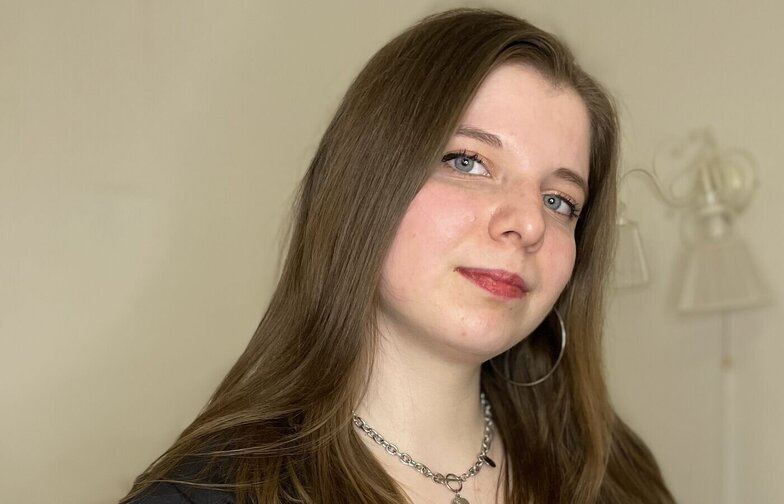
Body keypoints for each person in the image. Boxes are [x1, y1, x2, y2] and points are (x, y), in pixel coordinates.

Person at [121, 8, 675, 504]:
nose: (530, 223)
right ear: (365, 183)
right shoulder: (204, 495)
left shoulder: (621, 481)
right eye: (467, 162)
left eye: (559, 201)